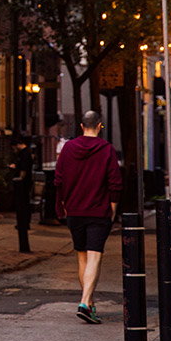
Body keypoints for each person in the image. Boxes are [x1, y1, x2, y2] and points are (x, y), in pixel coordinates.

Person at [54, 110, 123, 324]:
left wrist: (63, 205)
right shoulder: (106, 150)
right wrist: (112, 208)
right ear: (99, 126)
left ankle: (90, 303)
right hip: (98, 210)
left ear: (82, 127)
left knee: (82, 256)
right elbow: (115, 183)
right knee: (95, 256)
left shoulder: (68, 148)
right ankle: (84, 302)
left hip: (74, 210)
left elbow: (59, 179)